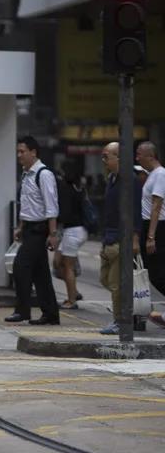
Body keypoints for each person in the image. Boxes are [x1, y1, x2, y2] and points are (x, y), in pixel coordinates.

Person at [7, 136, 60, 325]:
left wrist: (53, 235)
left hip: (40, 229)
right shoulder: (26, 173)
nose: (19, 155)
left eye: (22, 151)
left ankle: (22, 311)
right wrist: (20, 227)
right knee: (40, 274)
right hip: (29, 228)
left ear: (33, 152)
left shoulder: (43, 174)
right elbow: (27, 204)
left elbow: (51, 206)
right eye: (18, 152)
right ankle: (51, 314)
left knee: (20, 267)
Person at [98, 143, 141, 335]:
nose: (104, 160)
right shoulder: (112, 179)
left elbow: (135, 212)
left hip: (121, 239)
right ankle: (129, 310)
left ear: (119, 157)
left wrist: (134, 239)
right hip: (109, 237)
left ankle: (120, 320)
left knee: (116, 284)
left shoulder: (129, 179)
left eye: (106, 156)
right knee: (105, 279)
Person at [53, 163, 88, 310]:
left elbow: (65, 213)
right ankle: (74, 292)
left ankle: (71, 300)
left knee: (68, 266)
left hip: (73, 231)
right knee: (57, 262)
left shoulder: (66, 189)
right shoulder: (78, 188)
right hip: (75, 230)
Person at [136, 142, 165, 297]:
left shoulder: (160, 174)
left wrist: (151, 237)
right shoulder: (152, 175)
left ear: (150, 156)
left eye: (139, 154)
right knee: (153, 271)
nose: (137, 158)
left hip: (156, 227)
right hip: (150, 226)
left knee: (157, 274)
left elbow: (156, 206)